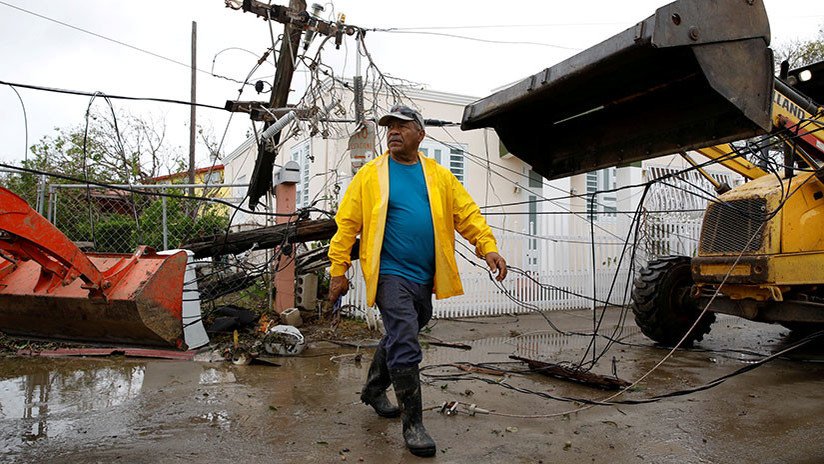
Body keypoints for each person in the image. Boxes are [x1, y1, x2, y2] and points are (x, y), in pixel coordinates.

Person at [327, 104, 507, 457]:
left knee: (406, 329)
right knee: (406, 338)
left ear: (420, 134)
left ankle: (374, 388)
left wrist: (488, 248)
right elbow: (346, 224)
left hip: (424, 276)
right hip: (390, 274)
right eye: (389, 127)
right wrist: (338, 270)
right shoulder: (371, 175)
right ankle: (414, 425)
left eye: (402, 126)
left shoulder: (438, 176)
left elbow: (467, 214)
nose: (393, 131)